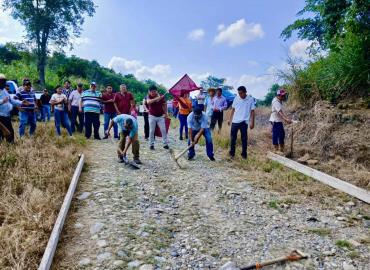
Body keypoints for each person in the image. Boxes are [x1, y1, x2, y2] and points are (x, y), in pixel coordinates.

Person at [228, 86, 255, 159]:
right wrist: (229, 119)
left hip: (244, 122)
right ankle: (232, 154)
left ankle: (244, 155)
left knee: (244, 139)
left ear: (245, 92)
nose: (240, 95)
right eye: (239, 93)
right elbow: (233, 109)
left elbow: (252, 111)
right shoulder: (236, 98)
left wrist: (252, 122)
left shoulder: (250, 99)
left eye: (241, 93)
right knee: (233, 138)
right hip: (235, 121)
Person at [0, 74, 28, 143]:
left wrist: (21, 102)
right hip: (0, 116)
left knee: (10, 132)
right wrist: (2, 101)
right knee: (2, 132)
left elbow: (12, 101)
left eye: (4, 81)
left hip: (6, 115)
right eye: (2, 81)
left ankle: (10, 146)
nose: (4, 83)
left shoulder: (5, 91)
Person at [145, 85, 169, 150]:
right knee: (151, 131)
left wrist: (166, 113)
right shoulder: (148, 96)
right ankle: (151, 144)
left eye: (154, 91)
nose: (153, 93)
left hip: (160, 116)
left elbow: (164, 105)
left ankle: (165, 144)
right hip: (152, 116)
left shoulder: (161, 96)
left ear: (156, 91)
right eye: (151, 92)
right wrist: (157, 98)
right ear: (149, 92)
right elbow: (148, 102)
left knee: (163, 130)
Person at [269, 89, 292, 153]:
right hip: (275, 120)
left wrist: (286, 118)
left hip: (277, 120)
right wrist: (286, 119)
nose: (283, 97)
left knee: (281, 134)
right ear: (278, 95)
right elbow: (280, 112)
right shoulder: (276, 102)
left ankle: (281, 149)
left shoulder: (279, 100)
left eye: (284, 95)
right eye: (282, 96)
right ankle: (276, 149)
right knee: (277, 134)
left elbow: (281, 112)